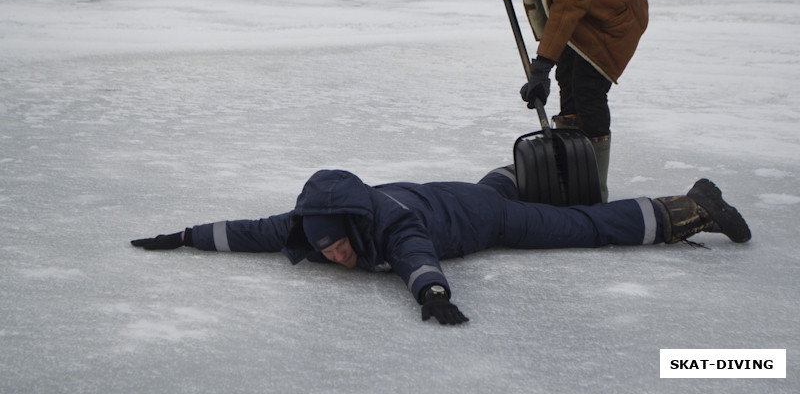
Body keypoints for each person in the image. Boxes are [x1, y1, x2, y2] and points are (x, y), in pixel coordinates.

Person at [131, 164, 751, 326]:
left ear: (354, 225)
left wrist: (430, 294)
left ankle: (694, 208)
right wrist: (185, 236)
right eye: (324, 251)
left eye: (340, 248)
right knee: (501, 189)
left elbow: (414, 256)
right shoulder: (314, 224)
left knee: (583, 227)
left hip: (478, 221)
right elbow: (249, 233)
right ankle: (521, 172)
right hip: (451, 192)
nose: (334, 256)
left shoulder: (391, 226)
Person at [473, 0, 649, 202]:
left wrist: (541, 68)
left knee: (588, 89)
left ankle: (593, 189)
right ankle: (573, 175)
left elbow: (570, 3)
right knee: (570, 83)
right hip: (576, 11)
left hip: (613, 14)